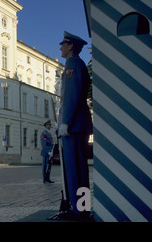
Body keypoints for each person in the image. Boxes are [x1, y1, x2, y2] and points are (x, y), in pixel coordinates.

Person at [57, 30, 93, 220]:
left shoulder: (73, 64)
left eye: (63, 44)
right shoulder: (75, 64)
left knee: (76, 170)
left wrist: (66, 122)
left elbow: (71, 97)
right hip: (77, 125)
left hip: (74, 126)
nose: (60, 47)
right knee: (79, 170)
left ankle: (80, 210)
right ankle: (82, 207)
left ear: (70, 46)